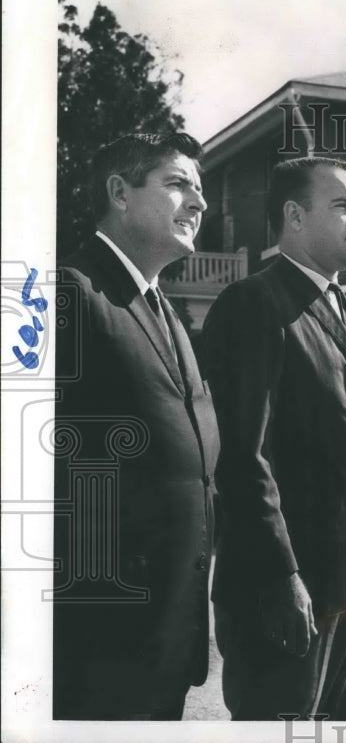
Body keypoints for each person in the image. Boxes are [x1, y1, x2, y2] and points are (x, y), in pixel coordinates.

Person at [201, 157, 346, 721]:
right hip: (283, 592)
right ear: (294, 216)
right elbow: (242, 458)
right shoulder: (253, 305)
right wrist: (281, 575)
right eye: (342, 205)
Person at [53, 132, 219, 720]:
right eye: (178, 185)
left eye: (200, 191)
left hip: (168, 641)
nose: (200, 204)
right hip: (101, 647)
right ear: (119, 193)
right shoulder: (69, 293)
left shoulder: (166, 314)